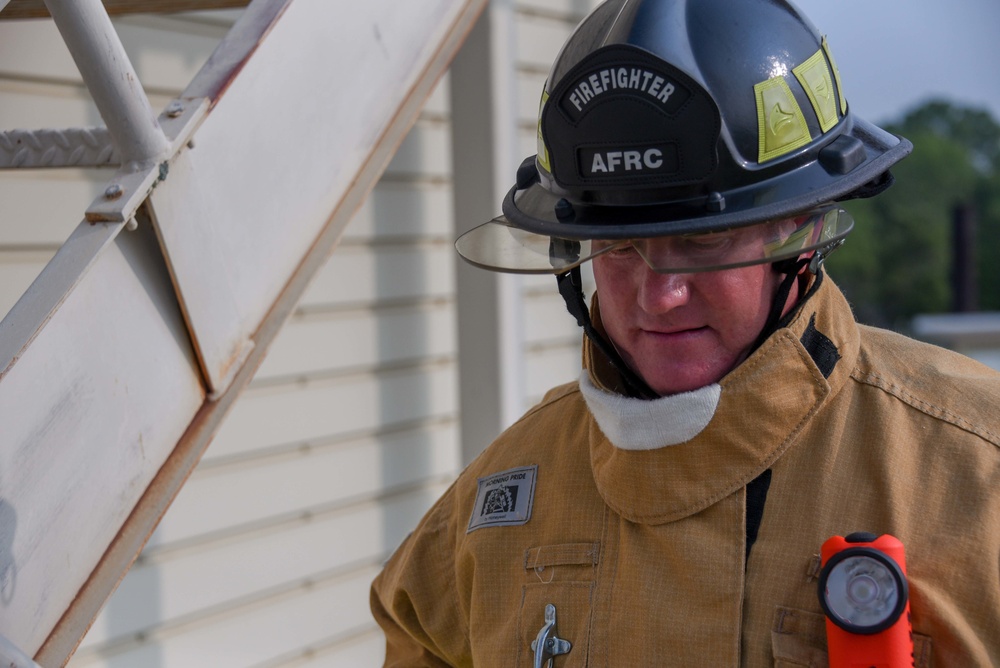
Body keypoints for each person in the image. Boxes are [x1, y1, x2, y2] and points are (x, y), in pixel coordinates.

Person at [370, 0, 1000, 665]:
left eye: (703, 238)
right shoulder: (486, 518)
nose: (659, 295)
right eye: (618, 246)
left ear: (802, 234)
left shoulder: (977, 476)